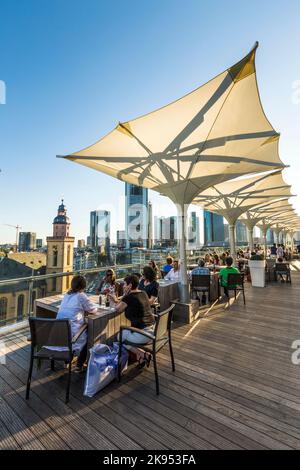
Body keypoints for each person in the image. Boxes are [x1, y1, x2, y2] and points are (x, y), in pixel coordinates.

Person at [45, 275, 98, 372]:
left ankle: (67, 359)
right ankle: (79, 365)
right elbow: (93, 309)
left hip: (58, 333)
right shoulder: (81, 296)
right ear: (83, 286)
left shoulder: (67, 295)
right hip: (71, 334)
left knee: (76, 328)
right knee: (89, 337)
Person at [112, 274, 155, 367]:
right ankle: (141, 356)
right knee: (126, 333)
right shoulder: (143, 293)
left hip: (143, 334)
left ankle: (144, 355)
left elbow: (117, 309)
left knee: (120, 337)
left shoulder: (129, 297)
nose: (123, 286)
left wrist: (114, 299)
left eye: (125, 284)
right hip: (153, 330)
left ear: (130, 285)